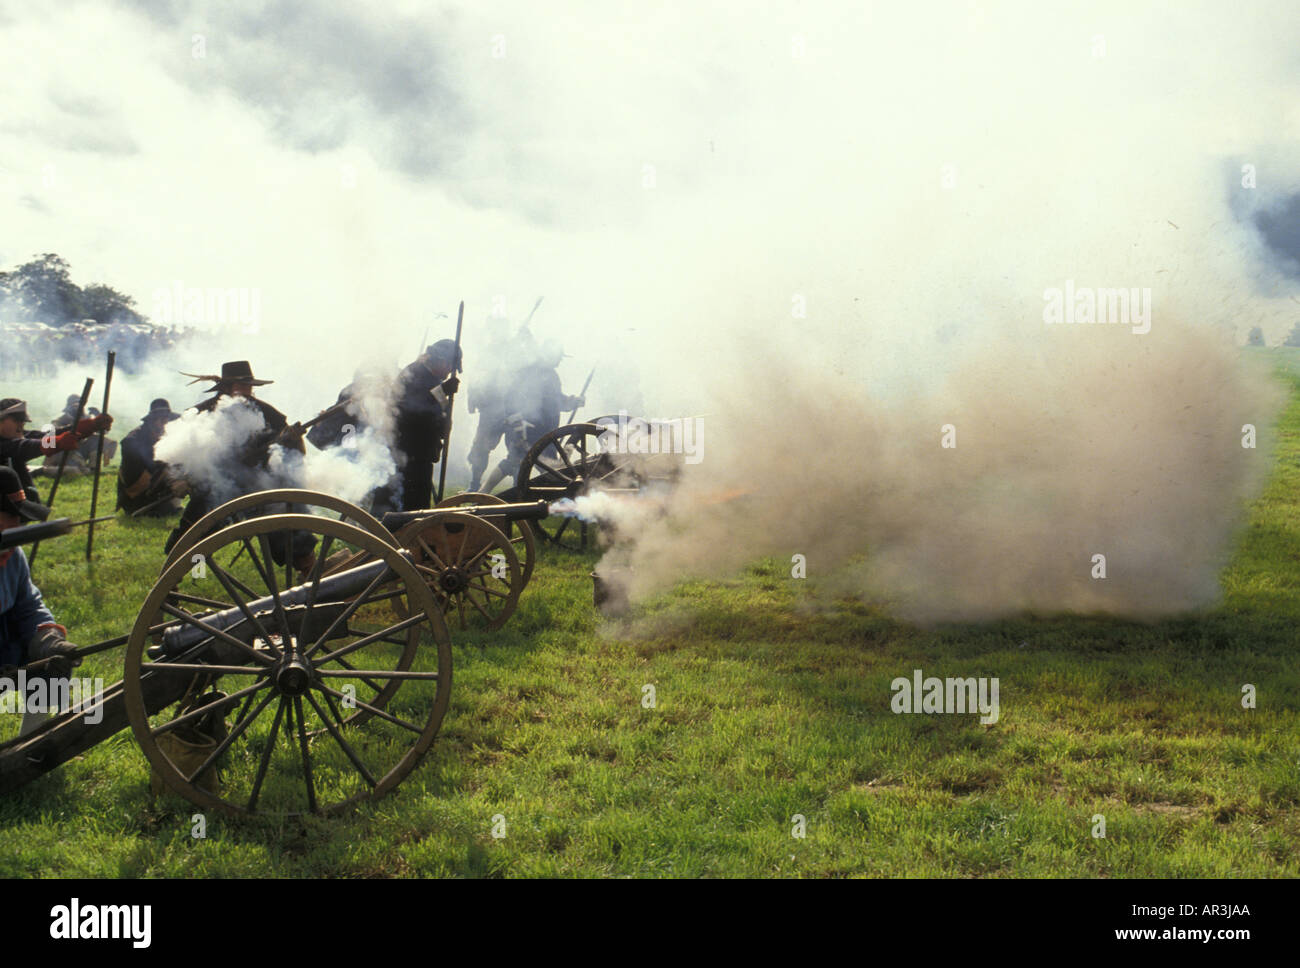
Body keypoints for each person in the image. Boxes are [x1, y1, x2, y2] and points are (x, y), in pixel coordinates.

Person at [163, 361, 314, 574]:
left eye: (248, 386)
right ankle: (177, 585)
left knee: (289, 527)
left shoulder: (268, 413)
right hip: (215, 488)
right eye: (241, 386)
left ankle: (311, 574)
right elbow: (177, 450)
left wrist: (292, 441)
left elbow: (294, 454)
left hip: (258, 486)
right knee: (190, 539)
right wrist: (178, 479)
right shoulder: (202, 413)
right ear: (225, 388)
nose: (246, 391)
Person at [0, 467, 80, 736]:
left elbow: (28, 606)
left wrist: (47, 640)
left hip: (4, 652)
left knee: (51, 663)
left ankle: (31, 745)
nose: (19, 527)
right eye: (11, 517)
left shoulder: (14, 555)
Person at [482, 340, 584, 493]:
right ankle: (483, 492)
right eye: (558, 357)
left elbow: (556, 401)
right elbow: (511, 398)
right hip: (527, 430)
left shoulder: (551, 376)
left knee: (548, 469)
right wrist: (517, 424)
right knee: (515, 462)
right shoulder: (528, 372)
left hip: (545, 433)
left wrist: (573, 402)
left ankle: (492, 493)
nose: (559, 361)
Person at [391, 340, 461, 511]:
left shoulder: (431, 377)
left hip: (421, 453)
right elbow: (413, 409)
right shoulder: (414, 373)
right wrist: (442, 391)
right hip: (409, 452)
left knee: (417, 505)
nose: (451, 371)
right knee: (407, 506)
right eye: (451, 366)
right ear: (442, 360)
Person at [0, 398, 112, 500]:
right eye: (16, 420)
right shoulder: (7, 443)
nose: (21, 425)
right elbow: (25, 446)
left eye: (22, 421)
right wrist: (58, 442)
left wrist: (92, 425)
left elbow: (48, 436)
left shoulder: (14, 435)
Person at [117, 398, 184, 517]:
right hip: (136, 497)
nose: (166, 423)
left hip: (156, 491)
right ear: (153, 420)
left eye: (167, 419)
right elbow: (135, 483)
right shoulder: (132, 441)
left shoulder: (162, 437)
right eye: (162, 419)